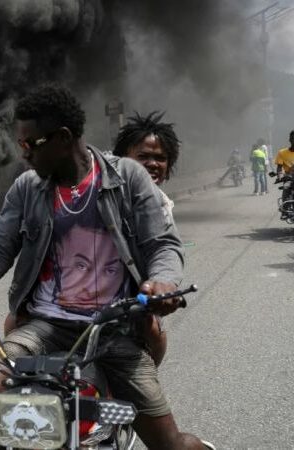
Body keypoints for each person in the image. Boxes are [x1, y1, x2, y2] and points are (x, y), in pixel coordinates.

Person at [0, 84, 213, 450]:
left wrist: (161, 282)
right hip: (44, 327)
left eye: (30, 144)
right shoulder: (26, 188)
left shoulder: (127, 177)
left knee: (170, 444)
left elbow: (163, 244)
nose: (24, 153)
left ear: (62, 138)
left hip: (112, 331)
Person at [113, 111, 181, 366]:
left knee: (153, 332)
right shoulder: (101, 190)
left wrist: (162, 282)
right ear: (122, 161)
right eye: (143, 156)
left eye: (160, 158)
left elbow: (165, 248)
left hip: (133, 296)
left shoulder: (162, 204)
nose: (152, 164)